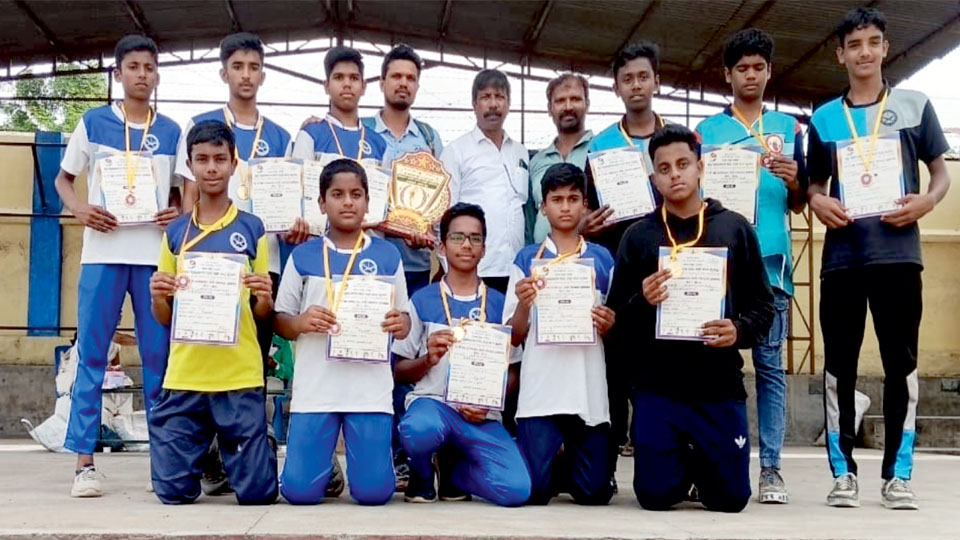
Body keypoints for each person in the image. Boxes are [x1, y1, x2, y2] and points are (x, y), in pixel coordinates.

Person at [807, 7, 951, 510]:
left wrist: (926, 202)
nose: (864, 52)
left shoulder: (915, 105)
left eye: (873, 42)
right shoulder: (824, 117)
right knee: (838, 369)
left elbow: (940, 173)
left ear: (885, 48)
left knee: (901, 367)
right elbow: (816, 187)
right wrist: (818, 201)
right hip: (843, 260)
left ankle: (898, 474)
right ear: (840, 53)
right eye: (855, 44)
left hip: (898, 256)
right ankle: (842, 473)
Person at [606, 124, 774, 513]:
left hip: (717, 386)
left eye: (683, 164)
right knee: (655, 496)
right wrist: (643, 301)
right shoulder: (638, 236)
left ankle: (707, 463)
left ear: (701, 168)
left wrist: (738, 329)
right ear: (653, 178)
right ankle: (680, 460)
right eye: (664, 168)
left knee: (731, 500)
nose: (675, 174)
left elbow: (764, 308)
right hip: (657, 389)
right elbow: (615, 324)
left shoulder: (734, 228)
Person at [53, 34, 182, 498]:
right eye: (133, 67)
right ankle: (84, 464)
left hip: (153, 258)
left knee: (158, 358)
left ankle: (163, 460)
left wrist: (177, 211)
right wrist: (80, 209)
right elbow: (63, 179)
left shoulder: (171, 130)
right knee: (92, 354)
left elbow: (182, 194)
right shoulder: (92, 122)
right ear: (118, 73)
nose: (142, 75)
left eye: (149, 67)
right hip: (102, 255)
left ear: (157, 75)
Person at [695, 27, 808, 504]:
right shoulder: (707, 132)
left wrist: (796, 179)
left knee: (769, 371)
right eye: (742, 68)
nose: (751, 75)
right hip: (719, 266)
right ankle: (705, 463)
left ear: (769, 72)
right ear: (728, 75)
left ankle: (772, 470)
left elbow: (800, 203)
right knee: (707, 368)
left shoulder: (788, 128)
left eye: (759, 67)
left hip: (772, 264)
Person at [147, 120, 278, 505]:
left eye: (220, 159)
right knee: (172, 493)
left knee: (257, 495)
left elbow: (262, 313)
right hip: (187, 372)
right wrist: (158, 295)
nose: (211, 167)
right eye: (202, 159)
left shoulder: (253, 229)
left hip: (238, 373)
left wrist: (265, 296)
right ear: (190, 165)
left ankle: (251, 440)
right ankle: (207, 450)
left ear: (234, 163)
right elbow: (165, 317)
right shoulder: (175, 233)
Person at [274, 159, 410, 505]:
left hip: (369, 391)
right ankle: (325, 466)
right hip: (317, 390)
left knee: (374, 494)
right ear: (322, 203)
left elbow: (405, 320)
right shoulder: (302, 256)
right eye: (337, 194)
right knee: (299, 494)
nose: (347, 202)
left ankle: (356, 464)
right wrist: (301, 322)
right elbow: (281, 320)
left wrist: (400, 323)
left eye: (356, 194)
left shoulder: (388, 255)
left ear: (368, 201)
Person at [392, 203, 531, 507]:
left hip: (481, 415)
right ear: (441, 245)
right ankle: (422, 474)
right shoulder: (422, 300)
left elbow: (514, 371)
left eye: (475, 238)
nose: (466, 245)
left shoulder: (498, 303)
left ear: (484, 248)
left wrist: (487, 400)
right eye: (457, 237)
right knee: (418, 431)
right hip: (434, 406)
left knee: (517, 489)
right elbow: (398, 370)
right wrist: (427, 359)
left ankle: (455, 474)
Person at [582, 41, 670, 489]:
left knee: (661, 370)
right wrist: (590, 224)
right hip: (619, 273)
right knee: (614, 372)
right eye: (627, 78)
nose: (636, 85)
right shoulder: (600, 146)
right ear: (616, 87)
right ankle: (609, 468)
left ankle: (668, 460)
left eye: (643, 76)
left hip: (670, 274)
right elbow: (586, 214)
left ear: (656, 80)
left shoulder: (677, 141)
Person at [506, 163, 615, 505]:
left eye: (573, 198)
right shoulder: (526, 259)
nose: (565, 207)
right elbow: (513, 335)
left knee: (594, 494)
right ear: (543, 206)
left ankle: (573, 466)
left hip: (586, 389)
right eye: (556, 199)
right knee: (534, 493)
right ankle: (549, 463)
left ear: (585, 204)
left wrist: (610, 324)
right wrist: (524, 304)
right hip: (541, 391)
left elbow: (614, 329)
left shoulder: (602, 259)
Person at [361, 43, 444, 295]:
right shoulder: (360, 131)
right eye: (396, 76)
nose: (403, 83)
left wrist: (429, 234)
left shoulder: (429, 138)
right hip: (365, 259)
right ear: (382, 82)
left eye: (411, 78)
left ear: (417, 86)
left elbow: (439, 201)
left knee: (408, 332)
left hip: (414, 264)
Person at [440, 69, 529, 294]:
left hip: (516, 269)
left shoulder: (520, 152)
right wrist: (450, 268)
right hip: (476, 269)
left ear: (508, 103)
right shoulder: (456, 152)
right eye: (486, 97)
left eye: (499, 97)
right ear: (474, 104)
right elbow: (443, 217)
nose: (493, 105)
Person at [290, 46, 388, 168]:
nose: (347, 84)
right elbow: (299, 185)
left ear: (363, 86)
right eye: (339, 77)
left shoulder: (379, 143)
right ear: (326, 86)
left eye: (354, 78)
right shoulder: (310, 135)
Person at [526, 74, 594, 244]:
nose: (568, 106)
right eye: (560, 101)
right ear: (550, 108)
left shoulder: (601, 150)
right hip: (542, 263)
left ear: (587, 104)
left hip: (588, 259)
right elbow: (529, 219)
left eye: (575, 99)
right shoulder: (536, 162)